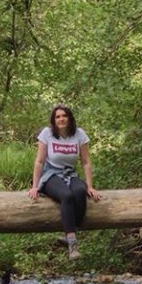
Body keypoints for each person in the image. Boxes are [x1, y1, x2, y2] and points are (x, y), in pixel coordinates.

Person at [28, 104, 102, 260]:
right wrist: (34, 187)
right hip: (50, 175)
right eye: (57, 117)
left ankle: (68, 231)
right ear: (54, 120)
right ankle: (72, 245)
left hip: (70, 174)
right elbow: (39, 162)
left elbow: (86, 162)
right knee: (67, 196)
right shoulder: (47, 134)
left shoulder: (79, 134)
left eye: (64, 116)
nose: (61, 119)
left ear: (69, 118)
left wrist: (90, 186)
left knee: (80, 192)